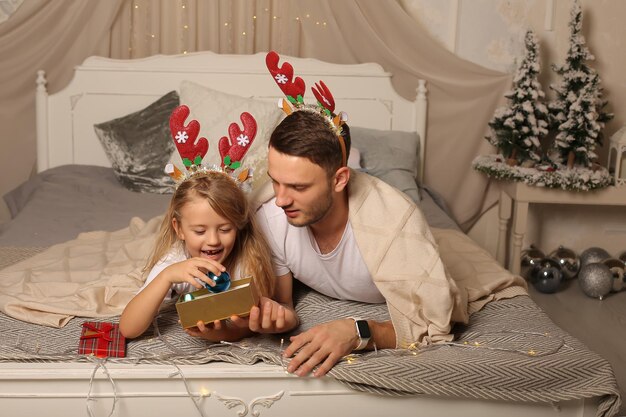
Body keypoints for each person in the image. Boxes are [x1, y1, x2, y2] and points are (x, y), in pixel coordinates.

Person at [252, 109, 467, 378]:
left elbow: (436, 322)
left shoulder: (393, 223)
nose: (281, 199)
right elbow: (283, 304)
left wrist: (360, 332)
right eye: (276, 182)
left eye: (298, 187)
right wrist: (279, 319)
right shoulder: (271, 218)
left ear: (340, 179)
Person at [119, 171, 299, 340]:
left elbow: (281, 311)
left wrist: (222, 334)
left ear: (238, 225)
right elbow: (128, 329)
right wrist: (165, 277)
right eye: (199, 231)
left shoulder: (250, 260)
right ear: (179, 229)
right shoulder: (175, 261)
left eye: (225, 229)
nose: (213, 240)